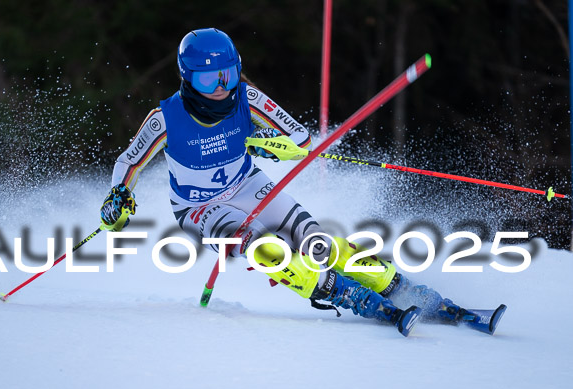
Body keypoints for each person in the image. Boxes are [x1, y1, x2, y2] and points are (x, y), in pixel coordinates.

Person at [99, 28, 501, 336]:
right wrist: (117, 203)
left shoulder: (247, 99)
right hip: (199, 207)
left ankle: (410, 294)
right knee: (265, 248)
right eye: (209, 81)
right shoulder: (165, 118)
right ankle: (350, 296)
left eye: (228, 75)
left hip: (246, 183)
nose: (222, 89)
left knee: (317, 242)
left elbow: (300, 140)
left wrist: (271, 145)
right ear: (188, 79)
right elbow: (127, 165)